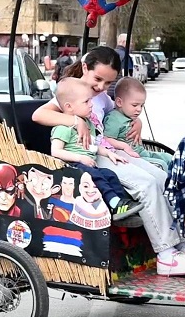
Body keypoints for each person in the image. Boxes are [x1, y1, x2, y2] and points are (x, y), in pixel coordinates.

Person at [33, 46, 185, 276]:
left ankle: (181, 245)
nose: (101, 87)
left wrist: (136, 122)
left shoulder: (100, 98)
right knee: (146, 184)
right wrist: (74, 121)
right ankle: (166, 254)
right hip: (91, 155)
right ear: (86, 68)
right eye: (98, 79)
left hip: (107, 150)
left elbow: (119, 113)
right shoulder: (73, 93)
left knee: (161, 178)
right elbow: (39, 115)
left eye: (108, 83)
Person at [49, 77, 144, 221]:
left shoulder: (88, 123)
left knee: (110, 174)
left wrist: (109, 153)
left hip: (88, 164)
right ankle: (114, 204)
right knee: (96, 176)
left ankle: (123, 206)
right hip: (71, 166)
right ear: (69, 107)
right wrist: (80, 158)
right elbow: (55, 151)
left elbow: (93, 145)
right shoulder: (63, 128)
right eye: (86, 102)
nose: (91, 105)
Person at [104, 77, 174, 171]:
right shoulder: (114, 119)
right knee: (161, 165)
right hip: (132, 157)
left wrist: (138, 121)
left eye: (142, 105)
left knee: (169, 157)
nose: (139, 109)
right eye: (135, 105)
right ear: (119, 102)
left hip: (142, 152)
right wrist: (124, 146)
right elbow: (106, 139)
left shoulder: (129, 115)